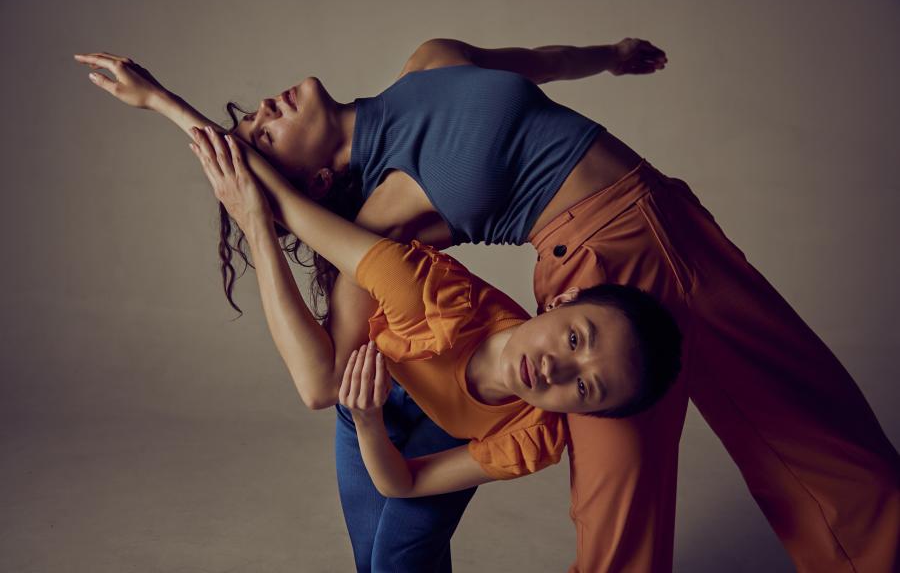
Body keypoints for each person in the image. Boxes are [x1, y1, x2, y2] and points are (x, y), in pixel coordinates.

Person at [75, 37, 899, 573]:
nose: (261, 115)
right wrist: (158, 103)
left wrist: (609, 55)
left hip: (673, 218)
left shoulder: (431, 64)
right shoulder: (387, 216)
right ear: (315, 181)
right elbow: (269, 215)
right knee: (621, 520)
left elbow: (535, 62)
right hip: (595, 286)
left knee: (830, 441)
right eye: (261, 137)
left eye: (250, 119)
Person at [189, 126, 681, 498]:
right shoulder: (430, 298)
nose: (556, 367)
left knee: (398, 552)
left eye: (583, 387)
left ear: (583, 415)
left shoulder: (534, 436)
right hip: (378, 368)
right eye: (574, 339)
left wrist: (369, 423)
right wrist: (162, 103)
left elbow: (404, 484)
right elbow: (293, 211)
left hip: (386, 411)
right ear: (562, 301)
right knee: (329, 405)